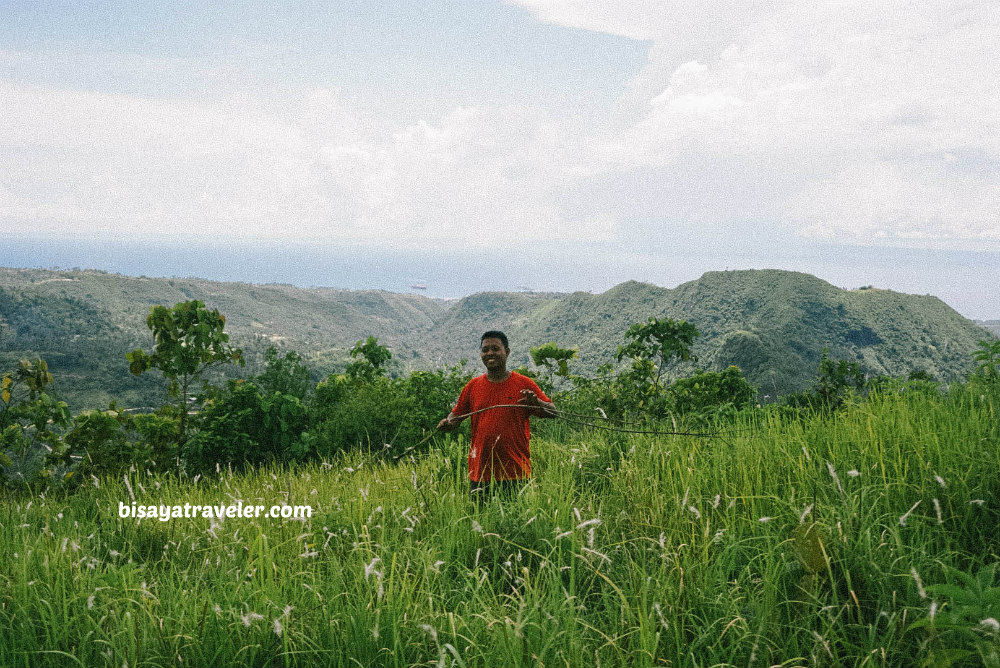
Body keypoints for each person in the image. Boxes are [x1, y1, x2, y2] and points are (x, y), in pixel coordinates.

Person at [437, 330, 556, 502]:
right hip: (480, 473)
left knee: (516, 526)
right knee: (480, 524)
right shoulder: (473, 386)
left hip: (515, 473)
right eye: (485, 350)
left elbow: (553, 412)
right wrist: (448, 423)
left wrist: (538, 403)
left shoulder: (524, 384)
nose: (490, 353)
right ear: (481, 354)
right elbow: (456, 416)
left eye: (495, 348)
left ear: (506, 352)